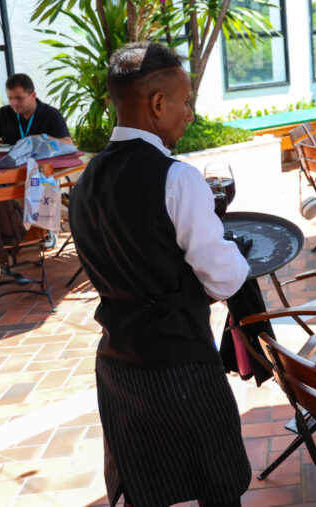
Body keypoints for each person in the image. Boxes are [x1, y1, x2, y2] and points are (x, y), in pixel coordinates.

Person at [68, 42, 251, 507]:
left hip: (118, 362)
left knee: (146, 488)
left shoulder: (85, 179)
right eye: (186, 101)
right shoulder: (178, 177)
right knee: (218, 482)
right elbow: (225, 277)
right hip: (179, 361)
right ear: (156, 103)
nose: (189, 114)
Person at [0, 73, 72, 145]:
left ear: (33, 95)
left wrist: (43, 138)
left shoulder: (52, 114)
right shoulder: (2, 114)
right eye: (10, 98)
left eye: (19, 98)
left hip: (44, 163)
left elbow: (69, 143)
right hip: (12, 163)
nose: (13, 103)